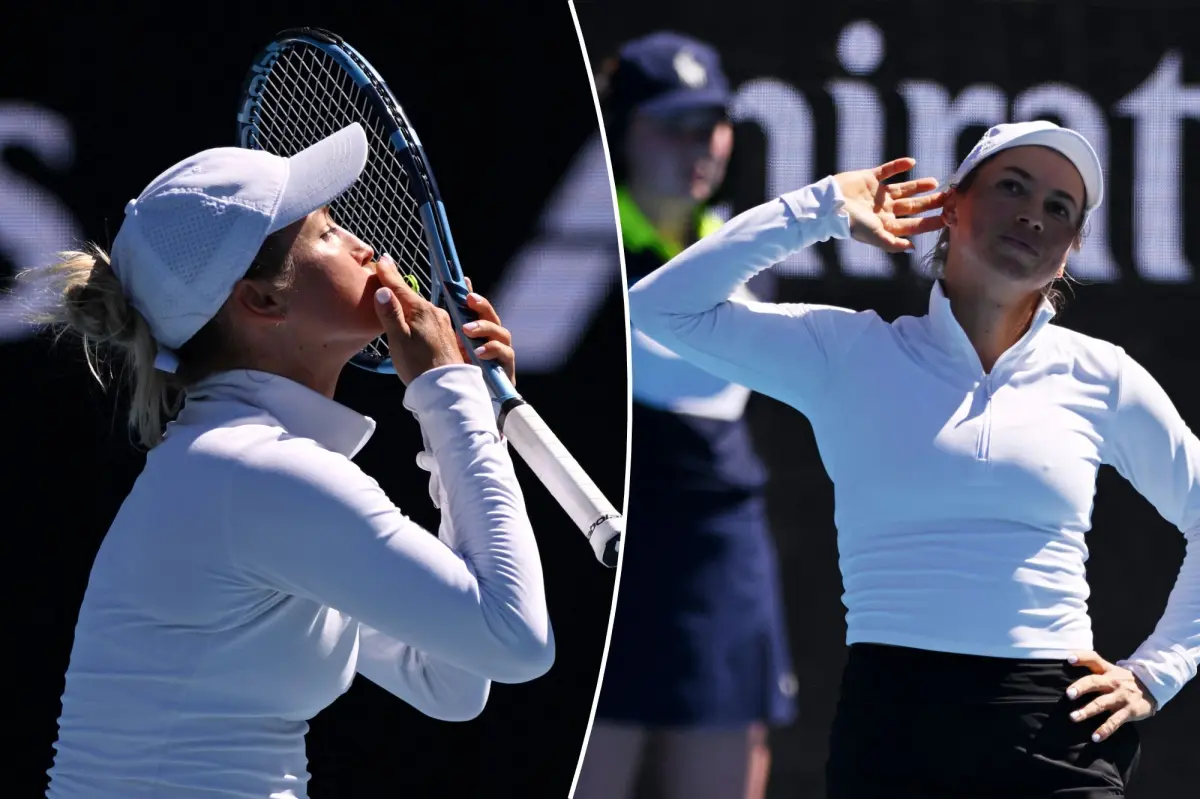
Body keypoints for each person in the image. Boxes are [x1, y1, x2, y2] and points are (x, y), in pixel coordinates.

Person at [627, 119, 1200, 798]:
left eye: (1058, 208)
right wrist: (819, 209)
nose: (1031, 215)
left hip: (1056, 729)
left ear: (1071, 248)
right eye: (1012, 187)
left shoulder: (1103, 376)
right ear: (951, 205)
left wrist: (1156, 672)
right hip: (892, 726)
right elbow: (661, 309)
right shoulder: (849, 352)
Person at [28, 123, 554, 799]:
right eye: (329, 232)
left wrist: (466, 417)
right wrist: (449, 400)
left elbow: (449, 677)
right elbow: (516, 640)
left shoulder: (242, 466)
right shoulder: (256, 472)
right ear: (262, 300)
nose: (369, 248)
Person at [574, 33, 795, 799]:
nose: (698, 146)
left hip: (719, 557)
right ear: (623, 131)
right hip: (611, 561)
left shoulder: (740, 259)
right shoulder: (575, 257)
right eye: (672, 124)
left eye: (712, 124)